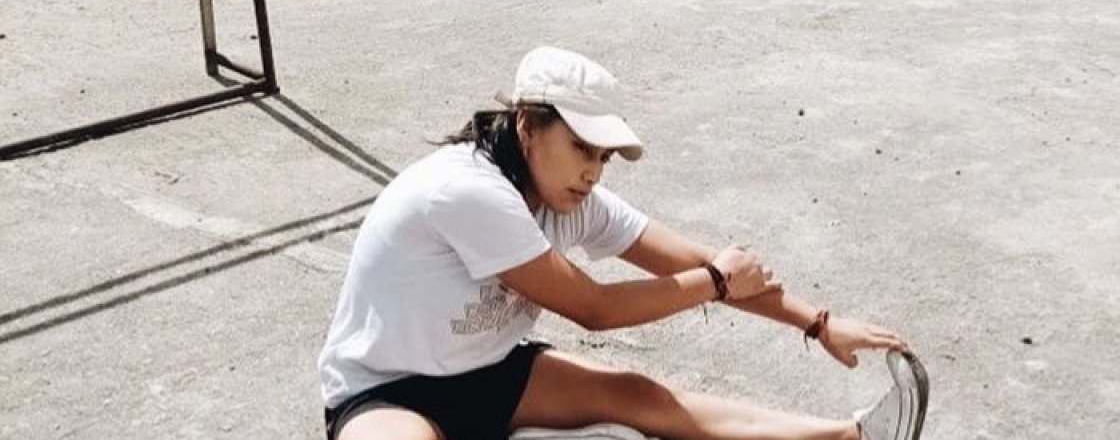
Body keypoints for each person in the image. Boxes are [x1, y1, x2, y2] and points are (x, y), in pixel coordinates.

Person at [318, 46, 928, 440]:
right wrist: (714, 283)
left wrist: (818, 323)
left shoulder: (572, 197)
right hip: (385, 393)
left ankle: (850, 438)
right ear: (528, 125)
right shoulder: (467, 189)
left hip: (492, 372)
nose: (592, 172)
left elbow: (706, 264)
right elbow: (596, 308)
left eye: (604, 156)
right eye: (581, 148)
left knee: (642, 397)